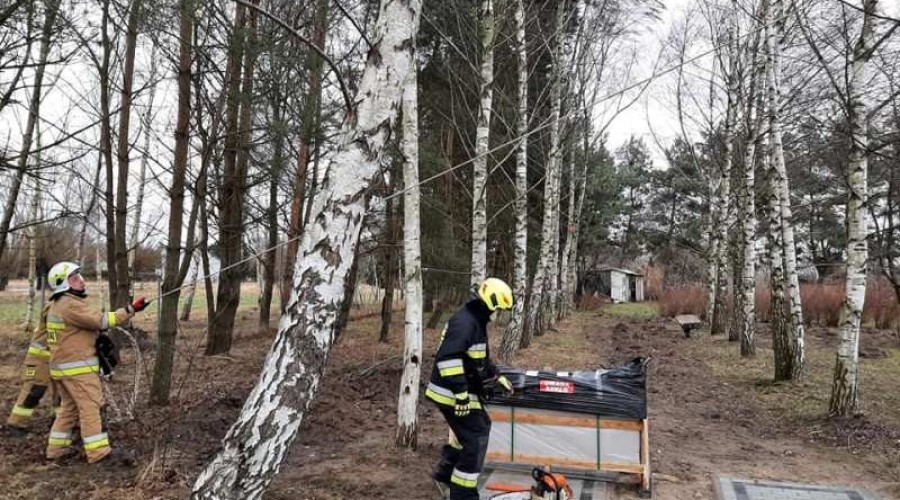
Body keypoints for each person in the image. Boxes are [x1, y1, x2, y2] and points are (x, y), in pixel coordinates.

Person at [42, 261, 148, 464]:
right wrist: (130, 309)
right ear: (63, 284)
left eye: (80, 276)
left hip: (62, 369)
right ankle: (98, 454)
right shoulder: (69, 304)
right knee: (90, 407)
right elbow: (101, 321)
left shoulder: (59, 304)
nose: (81, 281)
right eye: (74, 278)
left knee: (69, 409)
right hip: (77, 369)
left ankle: (55, 451)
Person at [426, 277, 515, 499]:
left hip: (460, 390)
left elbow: (478, 360)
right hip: (452, 393)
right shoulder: (466, 322)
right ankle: (462, 493)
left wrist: (496, 376)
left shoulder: (475, 320)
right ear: (491, 304)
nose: (500, 315)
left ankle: (446, 474)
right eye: (500, 309)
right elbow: (447, 360)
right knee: (475, 438)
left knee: (474, 429)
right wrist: (462, 396)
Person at [2, 303, 58, 435]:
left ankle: (59, 421)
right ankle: (15, 424)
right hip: (39, 358)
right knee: (34, 390)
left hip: (56, 358)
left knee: (61, 391)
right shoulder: (55, 307)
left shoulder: (66, 305)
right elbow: (54, 334)